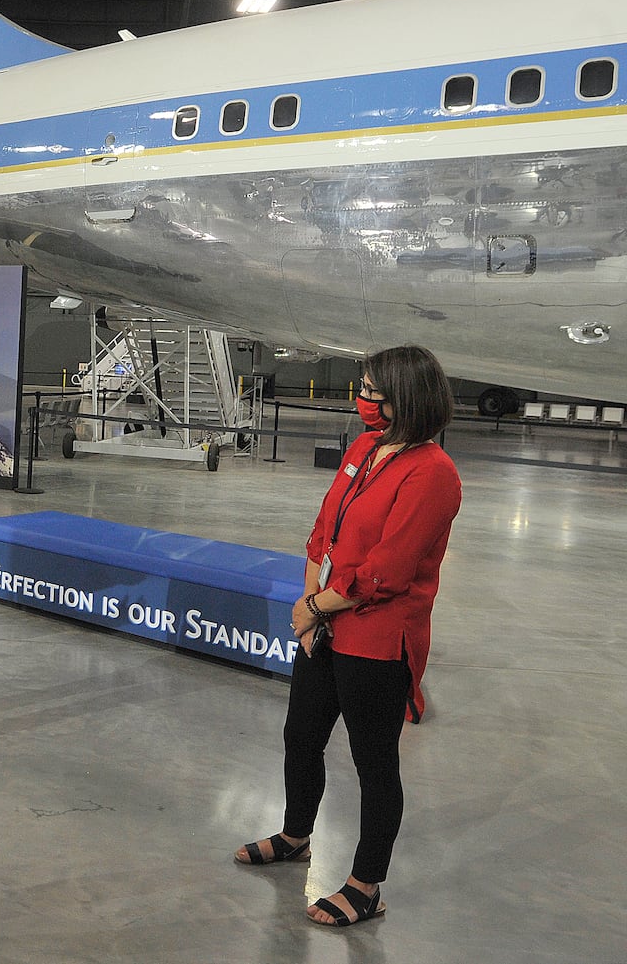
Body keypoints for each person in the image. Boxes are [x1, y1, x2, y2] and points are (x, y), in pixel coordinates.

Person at [234, 345, 462, 928]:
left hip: (378, 639)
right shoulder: (364, 447)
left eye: (371, 391)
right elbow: (325, 531)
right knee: (302, 736)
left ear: (404, 400)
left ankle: (366, 885)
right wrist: (311, 601)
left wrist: (313, 607)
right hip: (327, 623)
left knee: (374, 763)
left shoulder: (433, 473)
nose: (360, 400)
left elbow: (389, 571)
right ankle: (296, 835)